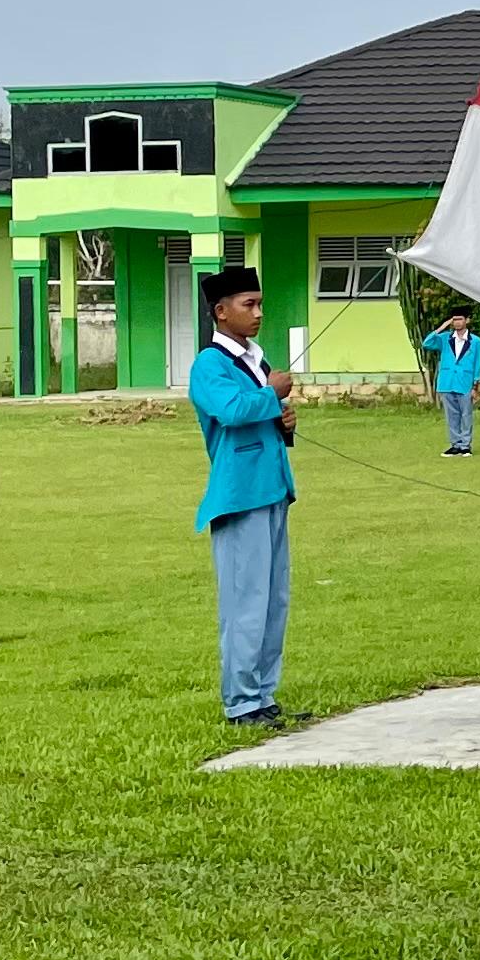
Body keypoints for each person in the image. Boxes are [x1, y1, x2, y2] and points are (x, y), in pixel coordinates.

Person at [187, 264, 297, 726]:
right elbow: (230, 411)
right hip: (240, 495)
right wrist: (272, 395)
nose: (258, 313)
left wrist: (284, 421)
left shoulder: (256, 358)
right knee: (244, 602)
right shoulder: (209, 364)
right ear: (221, 311)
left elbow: (261, 416)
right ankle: (241, 702)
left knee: (273, 602)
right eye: (248, 304)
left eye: (260, 304)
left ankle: (264, 695)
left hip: (272, 489)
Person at [426, 306, 480, 457]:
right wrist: (442, 327)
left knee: (466, 414)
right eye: (454, 319)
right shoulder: (445, 338)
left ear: (467, 320)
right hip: (447, 382)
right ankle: (455, 444)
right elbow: (427, 343)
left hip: (465, 382)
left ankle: (465, 445)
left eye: (460, 319)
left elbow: (477, 363)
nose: (457, 322)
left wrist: (475, 385)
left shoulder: (475, 341)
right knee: (451, 415)